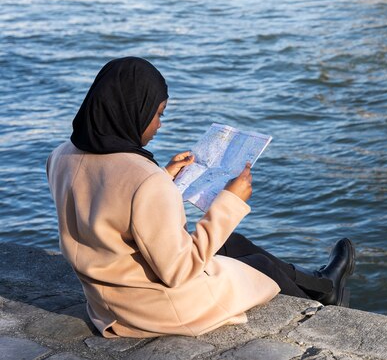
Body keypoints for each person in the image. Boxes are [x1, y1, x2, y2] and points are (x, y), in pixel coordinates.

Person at [46, 57, 355, 338]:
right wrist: (230, 202)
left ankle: (325, 286)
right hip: (156, 309)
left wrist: (165, 176)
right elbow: (179, 271)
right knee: (261, 266)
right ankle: (324, 317)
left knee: (233, 243)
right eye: (157, 113)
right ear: (132, 111)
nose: (159, 125)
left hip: (107, 302)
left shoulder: (60, 157)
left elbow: (103, 209)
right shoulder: (144, 179)